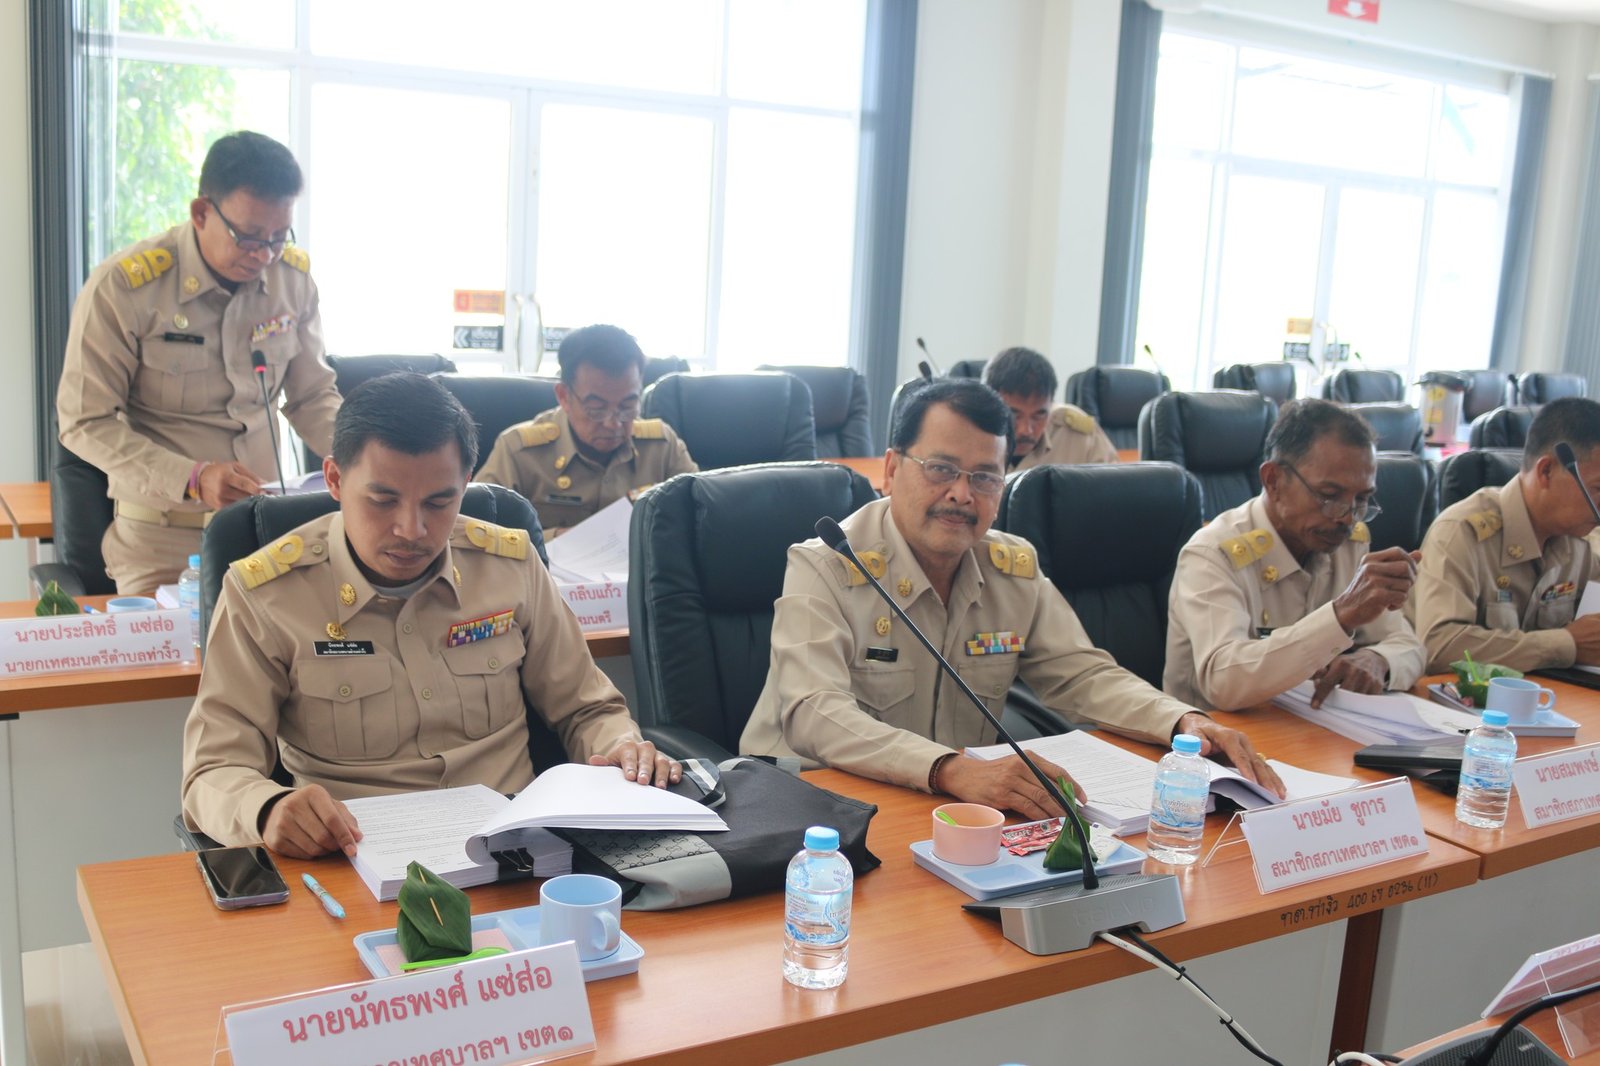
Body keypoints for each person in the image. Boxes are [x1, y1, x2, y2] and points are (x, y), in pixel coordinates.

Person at [181, 373, 675, 858]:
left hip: (516, 849)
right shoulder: (266, 594)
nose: (411, 529)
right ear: (334, 479)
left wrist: (621, 747)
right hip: (355, 857)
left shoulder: (509, 565)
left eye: (439, 502)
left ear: (466, 483)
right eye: (383, 500)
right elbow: (212, 770)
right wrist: (267, 809)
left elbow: (587, 708)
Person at [740, 379, 1279, 819]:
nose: (961, 494)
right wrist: (951, 769)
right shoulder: (829, 564)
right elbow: (814, 713)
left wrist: (1182, 722)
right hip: (814, 806)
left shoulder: (1012, 569)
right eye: (941, 469)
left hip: (953, 805)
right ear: (892, 468)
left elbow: (1083, 676)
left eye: (985, 477)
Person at [58, 131, 341, 594]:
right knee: (176, 643)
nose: (264, 255)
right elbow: (84, 422)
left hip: (266, 531)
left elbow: (312, 397)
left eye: (278, 238)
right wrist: (192, 478)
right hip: (162, 539)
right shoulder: (124, 289)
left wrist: (361, 458)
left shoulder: (291, 281)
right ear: (201, 212)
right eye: (248, 237)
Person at [1164, 399, 1425, 712]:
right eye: (1329, 496)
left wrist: (1378, 659)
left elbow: (1409, 645)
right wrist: (1341, 616)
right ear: (1273, 480)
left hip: (1310, 726)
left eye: (1362, 499)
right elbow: (1224, 682)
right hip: (1216, 734)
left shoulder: (1346, 541)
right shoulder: (1213, 554)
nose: (1347, 517)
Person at [1412, 396, 1600, 673]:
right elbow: (1438, 646)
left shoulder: (1579, 541)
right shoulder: (1461, 532)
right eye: (1598, 489)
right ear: (1546, 471)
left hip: (1544, 695)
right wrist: (1566, 644)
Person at [476, 324, 697, 533]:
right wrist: (553, 539)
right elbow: (476, 528)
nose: (613, 423)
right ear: (564, 396)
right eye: (597, 409)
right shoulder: (518, 452)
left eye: (627, 406)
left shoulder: (662, 447)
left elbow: (700, 516)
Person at [982, 346, 1118, 470]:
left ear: (1051, 404)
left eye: (1039, 415)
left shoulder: (1077, 434)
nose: (1026, 431)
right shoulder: (972, 435)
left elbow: (1114, 482)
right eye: (1013, 415)